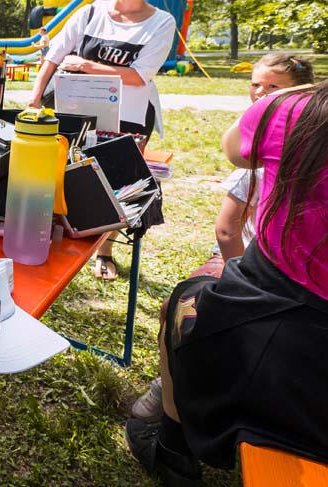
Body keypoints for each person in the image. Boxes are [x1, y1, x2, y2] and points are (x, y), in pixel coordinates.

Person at [126, 79, 328, 484]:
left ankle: (172, 449)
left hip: (284, 324)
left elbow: (234, 149)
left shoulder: (295, 111)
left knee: (182, 305)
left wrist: (282, 97)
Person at [29, 0, 176, 280]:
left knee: (115, 185)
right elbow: (53, 57)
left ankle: (105, 249)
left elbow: (139, 75)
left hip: (130, 116)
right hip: (77, 110)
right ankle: (64, 240)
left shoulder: (161, 22)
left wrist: (86, 65)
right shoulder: (90, 13)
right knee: (68, 174)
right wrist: (35, 98)